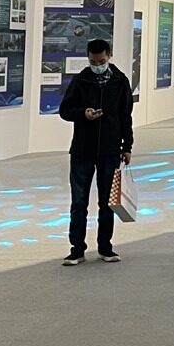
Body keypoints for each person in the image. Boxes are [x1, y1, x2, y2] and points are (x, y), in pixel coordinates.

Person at [58, 39, 133, 265]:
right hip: (82, 149)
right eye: (93, 61)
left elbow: (126, 116)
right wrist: (84, 113)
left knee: (107, 202)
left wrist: (127, 146)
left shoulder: (120, 81)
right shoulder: (80, 80)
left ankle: (105, 247)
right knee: (79, 201)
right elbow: (65, 110)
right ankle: (77, 249)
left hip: (110, 150)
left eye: (101, 61)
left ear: (108, 56)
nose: (97, 65)